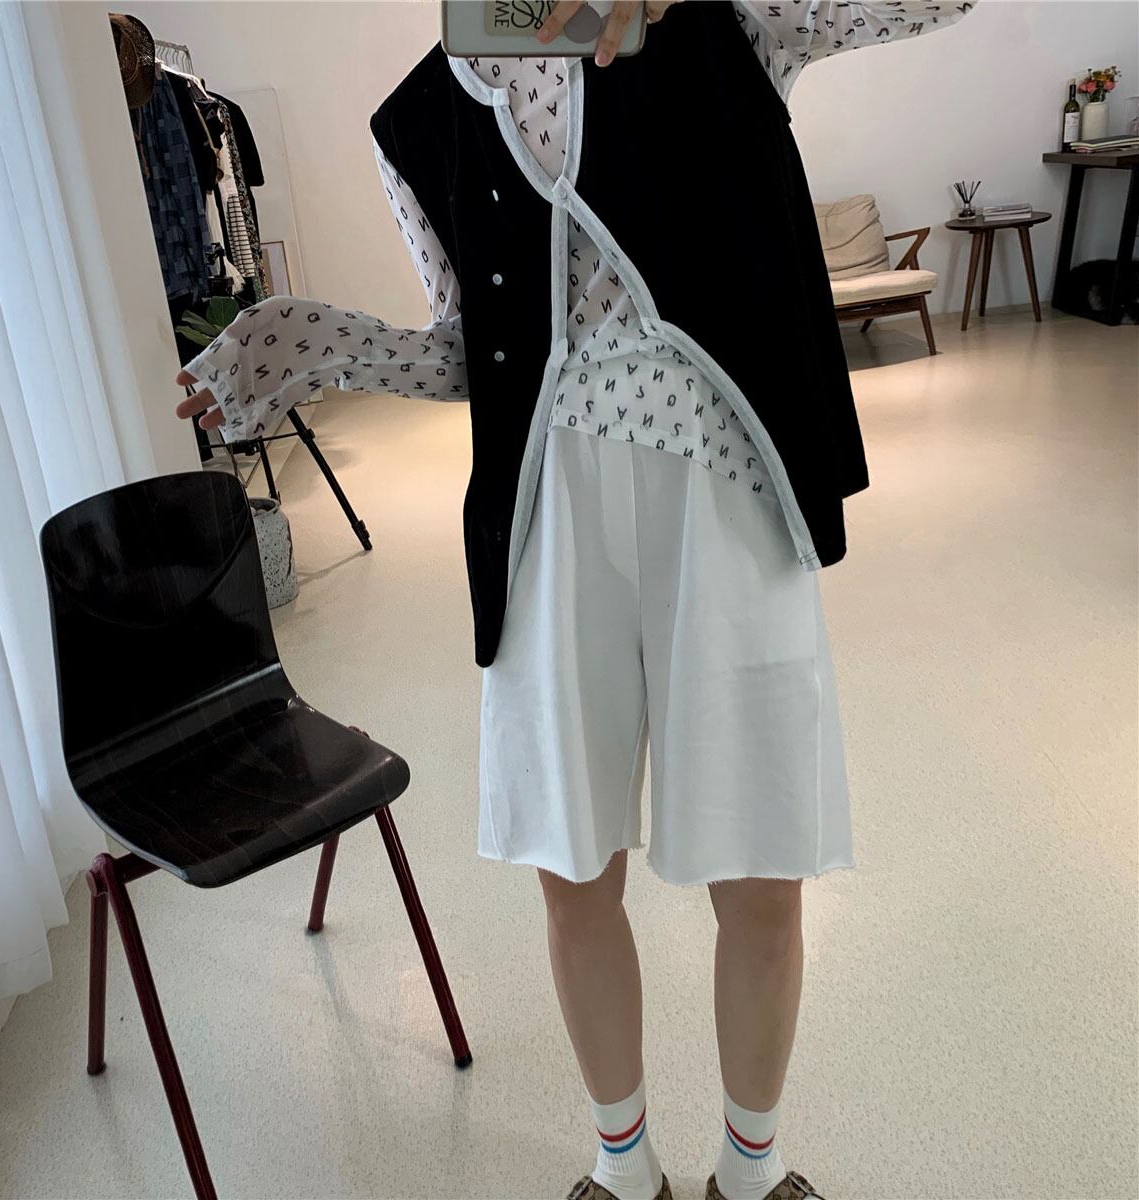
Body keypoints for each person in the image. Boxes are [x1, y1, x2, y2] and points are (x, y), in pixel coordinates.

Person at [173, 4, 977, 1197]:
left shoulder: (730, 19)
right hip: (548, 514)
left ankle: (751, 1172)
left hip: (730, 490)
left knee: (763, 868)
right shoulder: (425, 112)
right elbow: (472, 347)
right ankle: (624, 1165)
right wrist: (315, 343)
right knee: (572, 867)